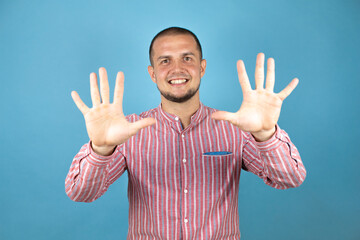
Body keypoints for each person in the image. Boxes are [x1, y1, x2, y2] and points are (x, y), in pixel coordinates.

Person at [65, 27, 306, 239]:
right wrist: (101, 149)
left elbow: (290, 179)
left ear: (202, 67)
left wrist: (265, 134)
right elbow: (80, 193)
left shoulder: (236, 128)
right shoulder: (127, 132)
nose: (177, 69)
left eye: (187, 58)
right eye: (165, 61)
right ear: (152, 73)